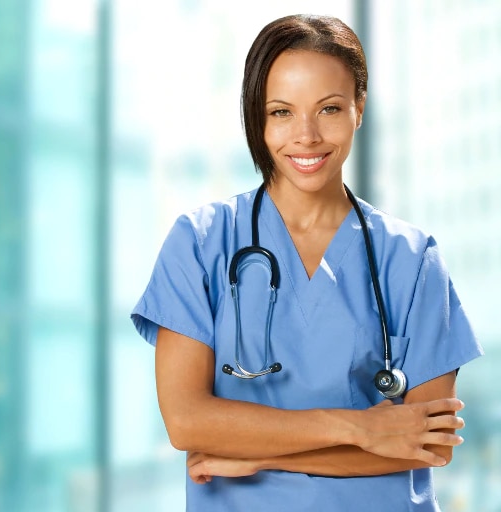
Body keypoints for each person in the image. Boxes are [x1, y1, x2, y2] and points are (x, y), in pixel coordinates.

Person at [130, 14, 483, 511]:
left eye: (330, 109)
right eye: (281, 112)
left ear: (359, 108)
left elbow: (429, 442)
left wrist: (257, 453)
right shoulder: (201, 242)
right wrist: (361, 428)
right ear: (257, 116)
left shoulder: (410, 258)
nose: (307, 136)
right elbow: (188, 422)